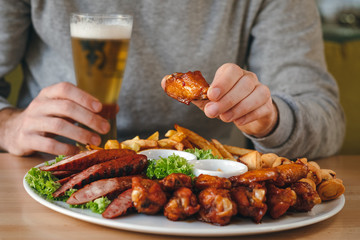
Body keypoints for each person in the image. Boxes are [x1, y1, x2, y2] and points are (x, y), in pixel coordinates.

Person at [0, 0, 345, 159]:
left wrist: (269, 118)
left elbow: (325, 115)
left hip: (206, 189)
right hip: (55, 176)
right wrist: (9, 125)